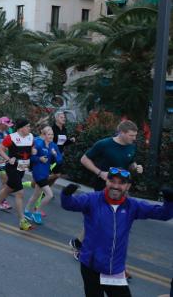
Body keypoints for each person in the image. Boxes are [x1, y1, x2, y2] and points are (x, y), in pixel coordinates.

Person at [61, 170, 173, 297]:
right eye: (112, 181)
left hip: (115, 269)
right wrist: (66, 194)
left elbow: (163, 214)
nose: (115, 186)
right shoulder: (92, 199)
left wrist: (169, 202)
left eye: (121, 183)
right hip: (91, 267)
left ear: (128, 186)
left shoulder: (132, 205)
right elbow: (70, 204)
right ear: (106, 181)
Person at [71, 120, 143, 258]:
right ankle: (83, 247)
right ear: (122, 133)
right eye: (131, 135)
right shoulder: (104, 144)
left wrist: (136, 167)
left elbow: (129, 163)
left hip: (121, 188)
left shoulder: (131, 147)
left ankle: (80, 244)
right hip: (103, 186)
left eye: (135, 135)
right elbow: (84, 159)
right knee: (101, 219)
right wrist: (100, 172)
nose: (134, 138)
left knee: (109, 221)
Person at [0, 118, 34, 231]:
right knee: (20, 193)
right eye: (28, 126)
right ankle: (22, 221)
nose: (30, 128)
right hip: (12, 168)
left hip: (22, 168)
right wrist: (8, 159)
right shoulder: (11, 137)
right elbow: (0, 149)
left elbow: (31, 149)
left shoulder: (31, 136)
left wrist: (33, 153)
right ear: (21, 128)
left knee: (8, 188)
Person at [24, 126, 62, 225]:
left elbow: (59, 160)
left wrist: (54, 154)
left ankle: (27, 210)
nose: (51, 136)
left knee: (36, 194)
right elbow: (32, 158)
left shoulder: (54, 146)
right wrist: (39, 159)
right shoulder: (39, 144)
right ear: (44, 135)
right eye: (49, 134)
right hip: (38, 173)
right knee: (50, 195)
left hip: (45, 173)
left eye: (52, 134)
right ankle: (37, 212)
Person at [49, 110, 74, 187]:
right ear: (56, 118)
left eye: (64, 117)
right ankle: (41, 183)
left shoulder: (64, 129)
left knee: (57, 175)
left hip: (59, 154)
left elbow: (62, 142)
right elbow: (48, 141)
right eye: (61, 117)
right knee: (55, 174)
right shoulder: (52, 128)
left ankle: (46, 189)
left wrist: (70, 141)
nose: (64, 119)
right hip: (51, 154)